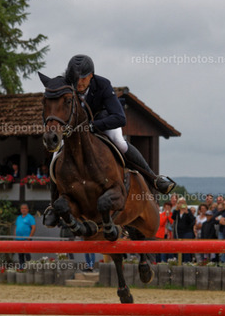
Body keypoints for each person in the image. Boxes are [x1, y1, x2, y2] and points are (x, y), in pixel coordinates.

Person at [43, 54, 175, 227]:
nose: (79, 83)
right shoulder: (67, 86)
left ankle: (154, 179)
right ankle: (53, 205)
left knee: (120, 143)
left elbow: (120, 118)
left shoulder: (103, 85)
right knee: (56, 156)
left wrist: (92, 126)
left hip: (103, 123)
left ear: (91, 76)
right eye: (76, 78)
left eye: (83, 78)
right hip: (76, 132)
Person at [172, 198, 195, 262]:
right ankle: (179, 261)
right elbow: (173, 217)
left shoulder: (188, 211)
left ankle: (187, 261)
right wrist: (176, 209)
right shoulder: (177, 211)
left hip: (187, 231)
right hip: (178, 232)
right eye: (180, 202)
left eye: (183, 202)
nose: (182, 204)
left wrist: (187, 213)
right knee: (178, 247)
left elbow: (192, 220)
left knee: (186, 247)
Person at [14, 203, 36, 268]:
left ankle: (29, 266)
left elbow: (33, 227)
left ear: (27, 209)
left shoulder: (30, 217)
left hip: (26, 239)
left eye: (25, 208)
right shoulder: (18, 217)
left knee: (27, 253)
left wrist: (29, 237)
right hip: (18, 239)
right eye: (22, 208)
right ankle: (21, 267)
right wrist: (15, 236)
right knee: (20, 254)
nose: (23, 210)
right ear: (20, 210)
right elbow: (16, 227)